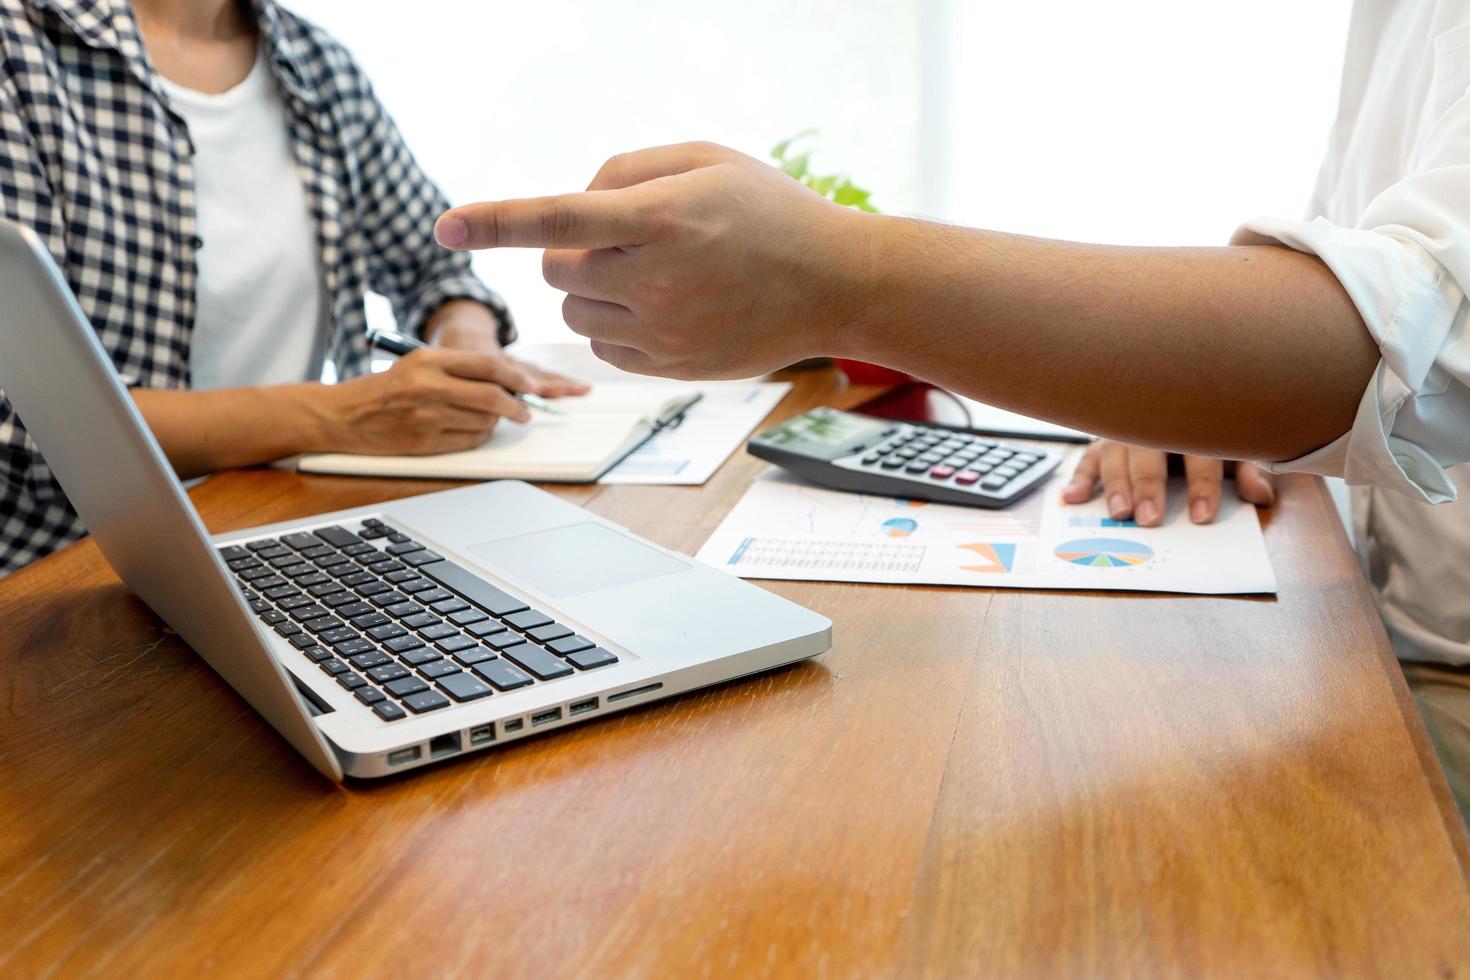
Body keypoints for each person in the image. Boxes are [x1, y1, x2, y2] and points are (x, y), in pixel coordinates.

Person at [431, 1, 1470, 814]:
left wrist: (840, 274)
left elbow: (1401, 353)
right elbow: (1351, 278)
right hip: (1361, 619)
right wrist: (1187, 391)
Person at [0, 0, 586, 578]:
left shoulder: (319, 67)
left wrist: (467, 348)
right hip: (63, 574)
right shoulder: (18, 47)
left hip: (277, 529)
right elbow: (33, 415)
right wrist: (340, 415)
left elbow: (437, 266)